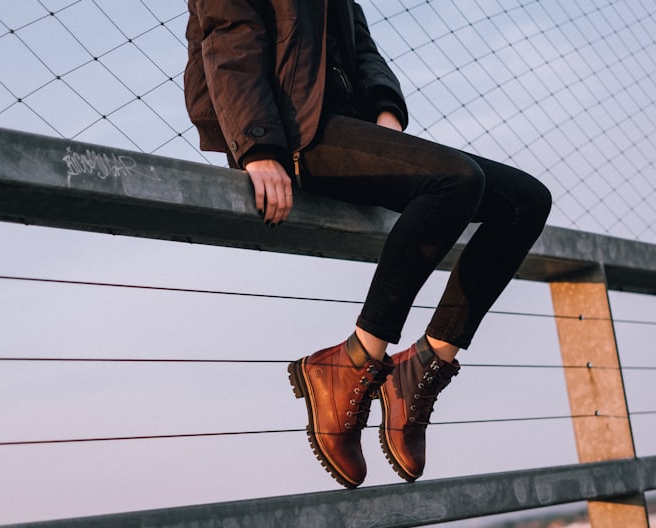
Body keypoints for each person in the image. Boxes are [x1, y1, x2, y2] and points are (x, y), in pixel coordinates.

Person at [184, 0, 551, 489]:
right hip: (290, 131)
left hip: (344, 124)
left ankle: (425, 363)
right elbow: (229, 37)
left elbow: (359, 43)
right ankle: (352, 361)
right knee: (456, 181)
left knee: (525, 200)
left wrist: (384, 107)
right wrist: (259, 147)